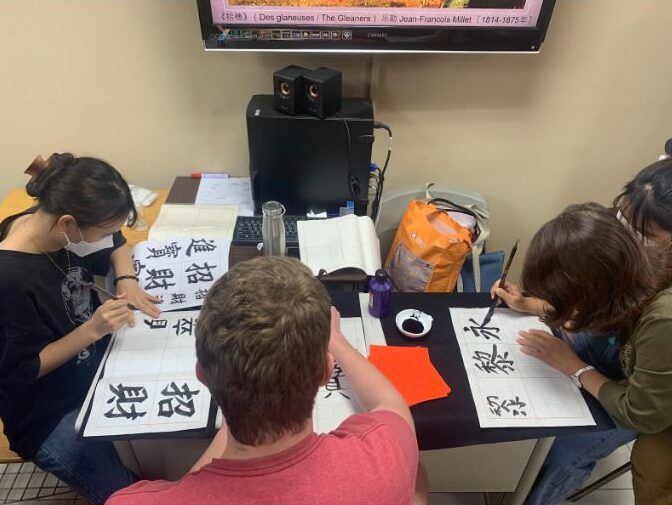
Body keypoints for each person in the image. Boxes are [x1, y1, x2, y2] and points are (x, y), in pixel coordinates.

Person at [107, 256, 421, 505]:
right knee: (419, 480)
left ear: (202, 375)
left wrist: (241, 391)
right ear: (326, 372)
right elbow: (389, 403)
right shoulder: (385, 459)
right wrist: (335, 340)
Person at [492, 158, 672, 505]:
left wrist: (574, 366)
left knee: (555, 455)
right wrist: (529, 304)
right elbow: (602, 307)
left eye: (644, 234)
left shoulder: (665, 316)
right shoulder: (632, 240)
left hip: (652, 404)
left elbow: (644, 413)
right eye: (621, 216)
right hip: (627, 354)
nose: (624, 235)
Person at [0, 153, 161, 505]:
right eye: (99, 231)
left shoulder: (55, 225)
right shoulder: (9, 280)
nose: (107, 237)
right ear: (68, 224)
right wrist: (92, 329)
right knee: (129, 495)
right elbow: (22, 369)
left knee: (163, 455)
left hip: (98, 369)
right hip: (47, 412)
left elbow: (116, 240)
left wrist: (127, 278)